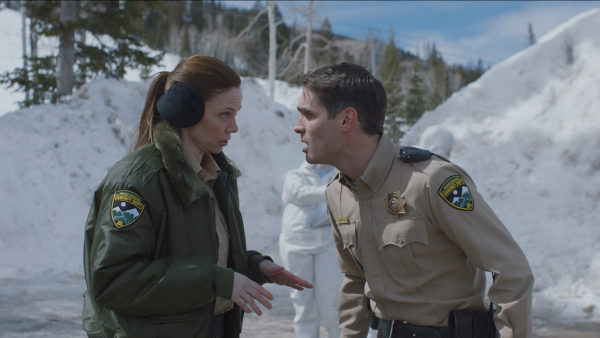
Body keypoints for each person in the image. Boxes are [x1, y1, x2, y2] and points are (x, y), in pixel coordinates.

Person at [293, 62, 534, 338]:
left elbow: (512, 270)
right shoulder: (336, 194)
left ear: (347, 120)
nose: (297, 127)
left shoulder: (431, 181)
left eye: (308, 115)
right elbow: (354, 281)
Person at [82, 55, 312, 338]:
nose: (234, 127)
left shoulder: (218, 175)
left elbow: (198, 255)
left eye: (236, 114)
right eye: (224, 114)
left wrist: (254, 266)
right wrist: (217, 280)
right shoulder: (138, 181)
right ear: (186, 110)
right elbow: (115, 281)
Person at [279, 161, 342, 338]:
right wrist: (334, 190)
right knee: (303, 304)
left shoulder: (337, 175)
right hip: (296, 245)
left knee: (332, 301)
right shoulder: (295, 175)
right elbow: (300, 194)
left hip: (327, 242)